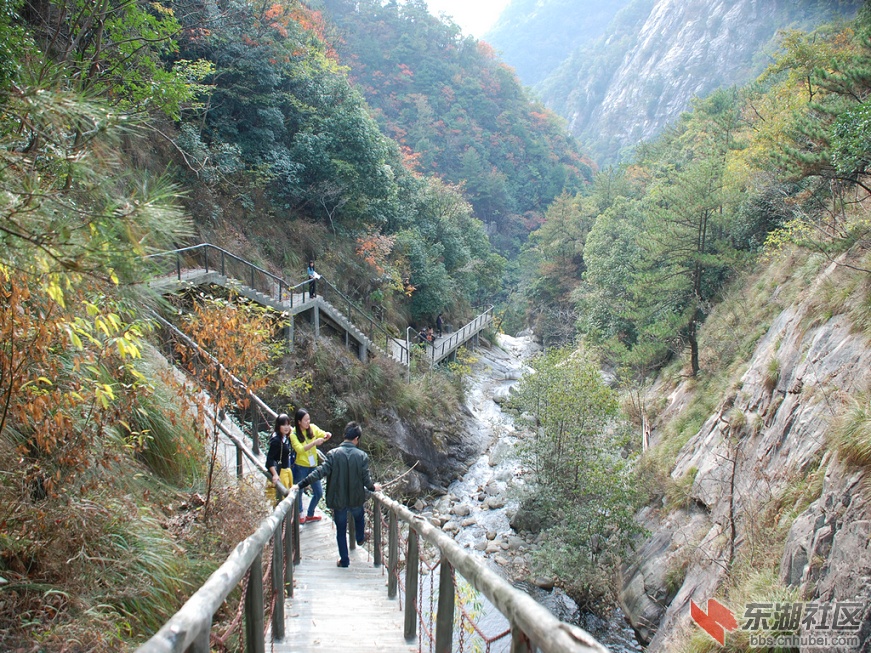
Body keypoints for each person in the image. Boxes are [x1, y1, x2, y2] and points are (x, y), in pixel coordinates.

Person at [295, 421, 381, 567]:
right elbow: (366, 480)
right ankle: (360, 537)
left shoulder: (333, 454)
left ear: (345, 436)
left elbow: (319, 472)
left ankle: (344, 560)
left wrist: (300, 484)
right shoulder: (362, 456)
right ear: (356, 439)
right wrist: (373, 487)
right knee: (359, 517)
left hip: (338, 500)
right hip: (356, 498)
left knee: (341, 531)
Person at [290, 408, 332, 523]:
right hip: (301, 466)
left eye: (309, 419)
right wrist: (314, 443)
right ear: (299, 422)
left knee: (318, 492)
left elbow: (322, 433)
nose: (308, 422)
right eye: (305, 420)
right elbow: (299, 449)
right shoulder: (293, 434)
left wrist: (327, 435)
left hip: (313, 466)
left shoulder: (312, 428)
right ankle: (298, 514)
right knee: (299, 490)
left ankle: (310, 514)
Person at [265, 413, 295, 503]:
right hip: (280, 472)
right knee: (281, 498)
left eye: (288, 424)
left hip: (285, 470)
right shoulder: (276, 441)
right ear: (278, 426)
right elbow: (269, 459)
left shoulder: (285, 437)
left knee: (285, 498)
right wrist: (274, 474)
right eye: (283, 424)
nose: (286, 427)